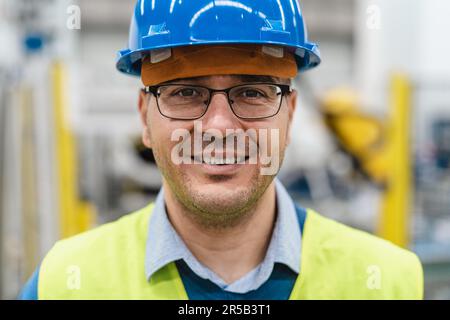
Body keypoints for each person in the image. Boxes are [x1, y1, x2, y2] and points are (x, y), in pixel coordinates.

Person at [19, 0, 423, 299]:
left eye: (251, 92)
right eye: (185, 92)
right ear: (145, 118)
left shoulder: (387, 283)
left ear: (290, 115)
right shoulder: (66, 282)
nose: (218, 127)